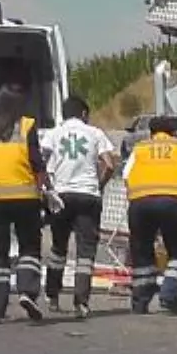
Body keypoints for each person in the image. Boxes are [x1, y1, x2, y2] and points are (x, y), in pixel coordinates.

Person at [0, 84, 52, 323]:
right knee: (29, 248)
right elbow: (36, 161)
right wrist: (47, 189)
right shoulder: (27, 125)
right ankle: (27, 292)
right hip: (26, 197)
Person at [40, 96, 115, 319]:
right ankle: (81, 302)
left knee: (58, 247)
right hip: (88, 195)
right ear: (84, 113)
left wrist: (49, 189)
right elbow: (110, 164)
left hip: (62, 195)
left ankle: (52, 296)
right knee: (85, 252)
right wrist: (98, 185)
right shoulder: (95, 133)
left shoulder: (52, 134)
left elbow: (41, 164)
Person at [122, 116, 177, 315]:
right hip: (173, 201)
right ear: (173, 133)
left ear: (151, 133)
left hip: (140, 202)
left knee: (141, 251)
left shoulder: (141, 148)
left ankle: (140, 301)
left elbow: (126, 175)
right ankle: (169, 292)